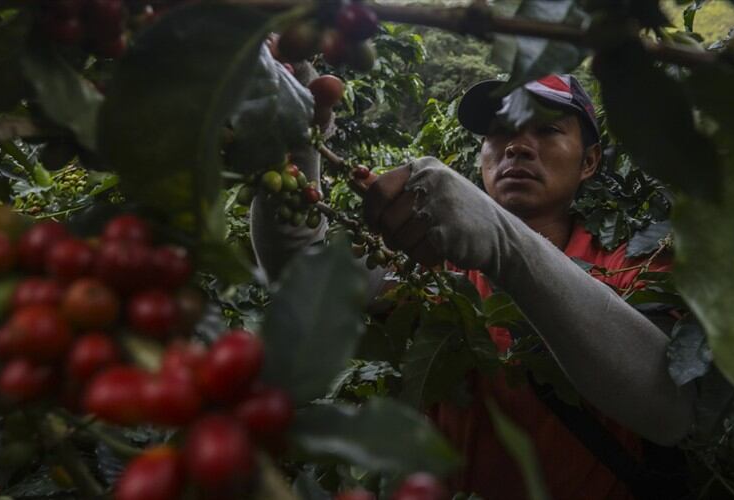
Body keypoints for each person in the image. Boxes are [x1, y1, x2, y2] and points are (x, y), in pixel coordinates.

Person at [251, 68, 695, 499]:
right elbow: (304, 279)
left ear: (589, 161)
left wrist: (507, 244)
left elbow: (669, 409)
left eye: (546, 130)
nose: (518, 146)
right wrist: (293, 146)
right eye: (500, 132)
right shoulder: (431, 265)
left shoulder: (634, 266)